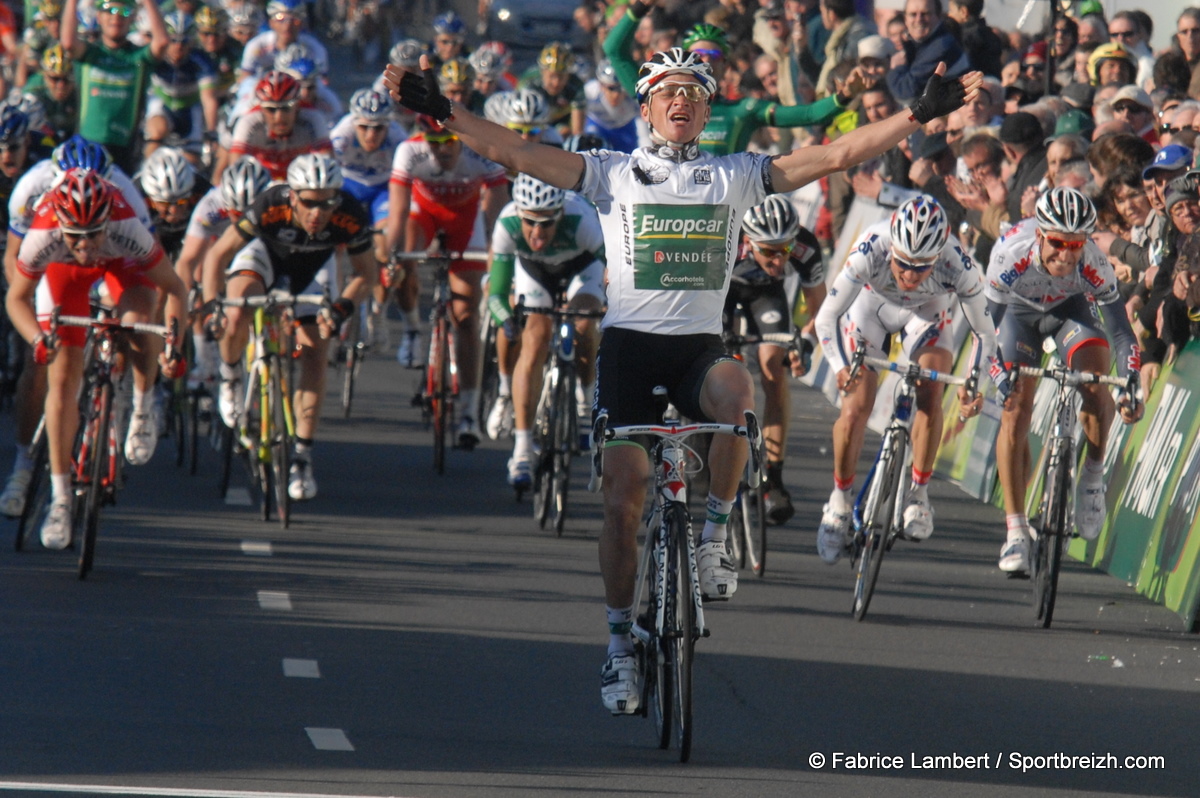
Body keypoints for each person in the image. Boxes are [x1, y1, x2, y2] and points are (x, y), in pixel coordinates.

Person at [382, 44, 980, 714]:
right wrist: (442, 110)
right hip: (630, 352)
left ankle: (714, 542)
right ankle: (616, 651)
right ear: (645, 108)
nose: (681, 102)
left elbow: (836, 156)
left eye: (694, 94)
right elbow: (517, 152)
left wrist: (917, 116)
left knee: (738, 393)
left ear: (706, 111)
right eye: (668, 92)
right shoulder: (611, 172)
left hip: (698, 349)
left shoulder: (736, 175)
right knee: (624, 499)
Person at [813, 196, 1006, 563]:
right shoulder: (871, 246)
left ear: (938, 257)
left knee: (932, 395)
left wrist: (974, 385)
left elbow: (985, 335)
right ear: (893, 249)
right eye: (903, 263)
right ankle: (838, 500)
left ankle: (918, 493)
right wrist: (840, 366)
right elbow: (827, 317)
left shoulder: (957, 263)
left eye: (922, 267)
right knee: (854, 408)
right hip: (871, 311)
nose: (910, 274)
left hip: (925, 316)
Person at [4, 169, 187, 548]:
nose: (85, 245)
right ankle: (60, 498)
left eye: (92, 235)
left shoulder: (125, 224)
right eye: (76, 236)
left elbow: (175, 288)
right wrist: (38, 339)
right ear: (60, 226)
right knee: (63, 378)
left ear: (107, 220)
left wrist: (174, 345)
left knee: (137, 325)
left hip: (122, 264)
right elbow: (16, 298)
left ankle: (141, 405)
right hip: (63, 273)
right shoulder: (44, 233)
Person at [201, 154, 376, 501]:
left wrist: (341, 308)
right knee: (238, 312)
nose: (318, 212)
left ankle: (301, 458)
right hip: (265, 257)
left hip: (313, 271)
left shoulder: (350, 213)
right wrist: (212, 307)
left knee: (315, 351)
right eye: (309, 203)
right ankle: (231, 376)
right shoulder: (270, 205)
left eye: (327, 203)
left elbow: (367, 275)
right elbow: (218, 255)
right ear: (293, 196)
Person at [987, 188, 1143, 575]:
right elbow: (983, 328)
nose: (1066, 254)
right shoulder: (1010, 252)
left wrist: (1131, 382)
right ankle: (1016, 530)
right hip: (1016, 316)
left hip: (1069, 312)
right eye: (1057, 243)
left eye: (1075, 245)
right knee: (1015, 408)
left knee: (1095, 383)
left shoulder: (1093, 263)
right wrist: (996, 374)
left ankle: (1092, 476)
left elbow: (1122, 334)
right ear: (1040, 235)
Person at [385, 115, 508, 448]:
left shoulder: (481, 152)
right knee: (403, 258)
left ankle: (469, 410)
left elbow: (497, 216)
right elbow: (395, 217)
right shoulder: (409, 152)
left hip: (467, 224)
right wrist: (388, 257)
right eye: (434, 143)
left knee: (466, 317)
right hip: (423, 214)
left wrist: (500, 259)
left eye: (449, 142)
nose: (441, 150)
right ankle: (411, 330)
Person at [486, 174, 604, 488]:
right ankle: (522, 449)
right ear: (519, 214)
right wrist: (506, 320)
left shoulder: (583, 222)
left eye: (548, 223)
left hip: (582, 267)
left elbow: (616, 273)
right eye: (530, 222)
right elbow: (496, 295)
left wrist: (609, 307)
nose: (538, 232)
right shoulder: (508, 223)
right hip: (534, 270)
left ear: (561, 215)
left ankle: (586, 399)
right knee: (535, 337)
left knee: (583, 321)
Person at [723, 195, 826, 526]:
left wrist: (805, 346)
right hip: (720, 291)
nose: (780, 259)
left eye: (785, 249)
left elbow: (821, 311)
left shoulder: (804, 247)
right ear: (748, 241)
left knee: (773, 371)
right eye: (769, 251)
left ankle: (774, 479)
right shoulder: (724, 235)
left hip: (766, 294)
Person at [330, 88, 407, 345]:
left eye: (378, 128)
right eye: (364, 127)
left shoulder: (398, 138)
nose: (371, 134)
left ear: (389, 125)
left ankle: (379, 312)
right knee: (333, 244)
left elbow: (405, 186)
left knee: (385, 247)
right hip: (348, 186)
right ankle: (334, 298)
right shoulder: (341, 135)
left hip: (382, 191)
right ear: (354, 123)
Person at [59, 0, 169, 172]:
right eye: (108, 10)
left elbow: (162, 42)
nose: (116, 17)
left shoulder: (138, 59)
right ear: (98, 17)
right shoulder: (90, 54)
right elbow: (68, 43)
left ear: (133, 18)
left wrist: (148, 2)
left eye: (124, 12)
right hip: (87, 145)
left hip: (124, 148)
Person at [223, 71, 330, 180]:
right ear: (261, 109)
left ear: (298, 106)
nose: (279, 117)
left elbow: (327, 164)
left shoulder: (313, 118)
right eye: (271, 109)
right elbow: (236, 169)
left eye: (286, 108)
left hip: (300, 179)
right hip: (260, 181)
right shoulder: (249, 121)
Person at [143, 10, 220, 160]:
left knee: (191, 163)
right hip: (162, 103)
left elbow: (208, 98)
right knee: (157, 132)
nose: (178, 46)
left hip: (189, 109)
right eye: (173, 40)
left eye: (184, 41)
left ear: (191, 42)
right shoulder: (156, 55)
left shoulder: (202, 61)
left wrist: (211, 130)